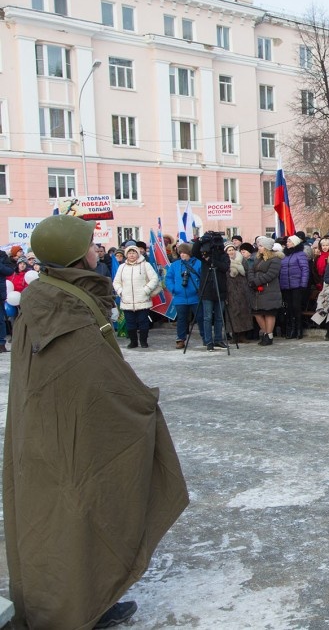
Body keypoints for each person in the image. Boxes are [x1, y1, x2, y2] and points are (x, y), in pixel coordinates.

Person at [5, 215, 187, 630]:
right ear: (73, 254)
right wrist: (138, 404)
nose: (96, 250)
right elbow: (91, 379)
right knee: (71, 511)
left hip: (55, 432)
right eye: (89, 244)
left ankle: (93, 597)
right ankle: (73, 607)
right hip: (64, 436)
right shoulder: (61, 306)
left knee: (81, 509)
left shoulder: (53, 296)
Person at [112, 241, 160, 349]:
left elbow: (154, 279)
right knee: (130, 323)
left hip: (142, 299)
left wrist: (146, 290)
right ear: (126, 255)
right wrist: (121, 292)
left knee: (143, 322)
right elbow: (116, 282)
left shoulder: (145, 265)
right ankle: (133, 342)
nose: (132, 255)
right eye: (129, 253)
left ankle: (143, 341)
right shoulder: (122, 267)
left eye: (134, 253)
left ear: (138, 254)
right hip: (127, 300)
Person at [164, 242, 204, 349]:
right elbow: (168, 278)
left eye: (185, 253)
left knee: (200, 317)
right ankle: (180, 339)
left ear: (190, 253)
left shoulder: (198, 263)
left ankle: (206, 338)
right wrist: (173, 288)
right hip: (180, 297)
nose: (182, 255)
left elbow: (203, 278)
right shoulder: (175, 265)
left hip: (195, 297)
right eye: (180, 252)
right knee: (181, 319)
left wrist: (198, 288)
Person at [248, 236, 283, 345]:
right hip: (257, 291)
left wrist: (257, 281)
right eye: (259, 246)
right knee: (257, 313)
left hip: (269, 290)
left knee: (269, 313)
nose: (259, 248)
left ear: (267, 247)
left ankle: (269, 334)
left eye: (261, 246)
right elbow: (251, 270)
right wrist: (252, 281)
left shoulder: (275, 260)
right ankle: (265, 332)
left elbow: (271, 274)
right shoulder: (257, 259)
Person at [224, 242, 254, 341]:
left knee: (244, 312)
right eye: (229, 250)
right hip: (230, 290)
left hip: (243, 289)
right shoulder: (225, 262)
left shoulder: (242, 260)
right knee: (233, 313)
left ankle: (243, 335)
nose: (231, 252)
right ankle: (235, 335)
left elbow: (247, 272)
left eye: (232, 249)